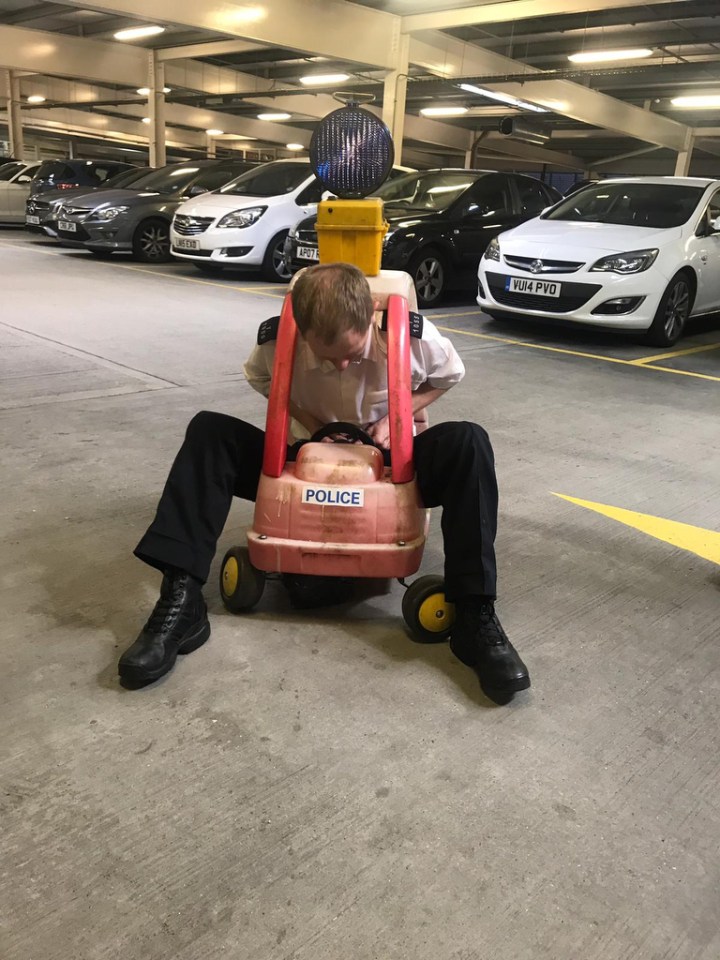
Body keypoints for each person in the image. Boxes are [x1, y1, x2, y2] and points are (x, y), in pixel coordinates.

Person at [119, 262, 530, 703]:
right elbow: (261, 377)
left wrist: (401, 414)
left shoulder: (408, 334)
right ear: (302, 327)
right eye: (329, 358)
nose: (343, 364)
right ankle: (181, 600)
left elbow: (450, 375)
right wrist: (310, 422)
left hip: (391, 459)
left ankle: (474, 613)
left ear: (367, 318)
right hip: (304, 457)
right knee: (209, 432)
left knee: (469, 441)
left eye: (353, 354)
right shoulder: (279, 337)